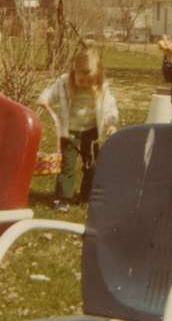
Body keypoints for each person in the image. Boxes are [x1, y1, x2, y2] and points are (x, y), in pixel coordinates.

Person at [37, 46, 119, 211]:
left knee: (91, 165)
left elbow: (110, 106)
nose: (85, 84)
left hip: (91, 131)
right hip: (69, 132)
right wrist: (44, 99)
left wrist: (111, 123)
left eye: (90, 81)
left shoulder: (101, 88)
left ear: (97, 77)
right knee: (67, 165)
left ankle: (86, 195)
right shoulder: (64, 84)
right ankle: (63, 198)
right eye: (81, 80)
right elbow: (50, 92)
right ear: (74, 72)